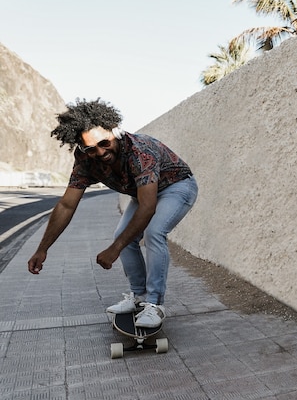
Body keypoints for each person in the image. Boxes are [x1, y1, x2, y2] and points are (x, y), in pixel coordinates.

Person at [27, 98, 198, 327]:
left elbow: (148, 209)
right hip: (143, 192)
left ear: (114, 131)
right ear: (81, 147)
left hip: (177, 187)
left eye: (104, 143)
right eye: (90, 148)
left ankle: (155, 305)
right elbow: (67, 205)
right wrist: (42, 249)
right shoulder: (86, 161)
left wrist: (113, 250)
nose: (100, 152)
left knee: (154, 232)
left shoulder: (139, 151)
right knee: (123, 235)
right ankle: (139, 298)